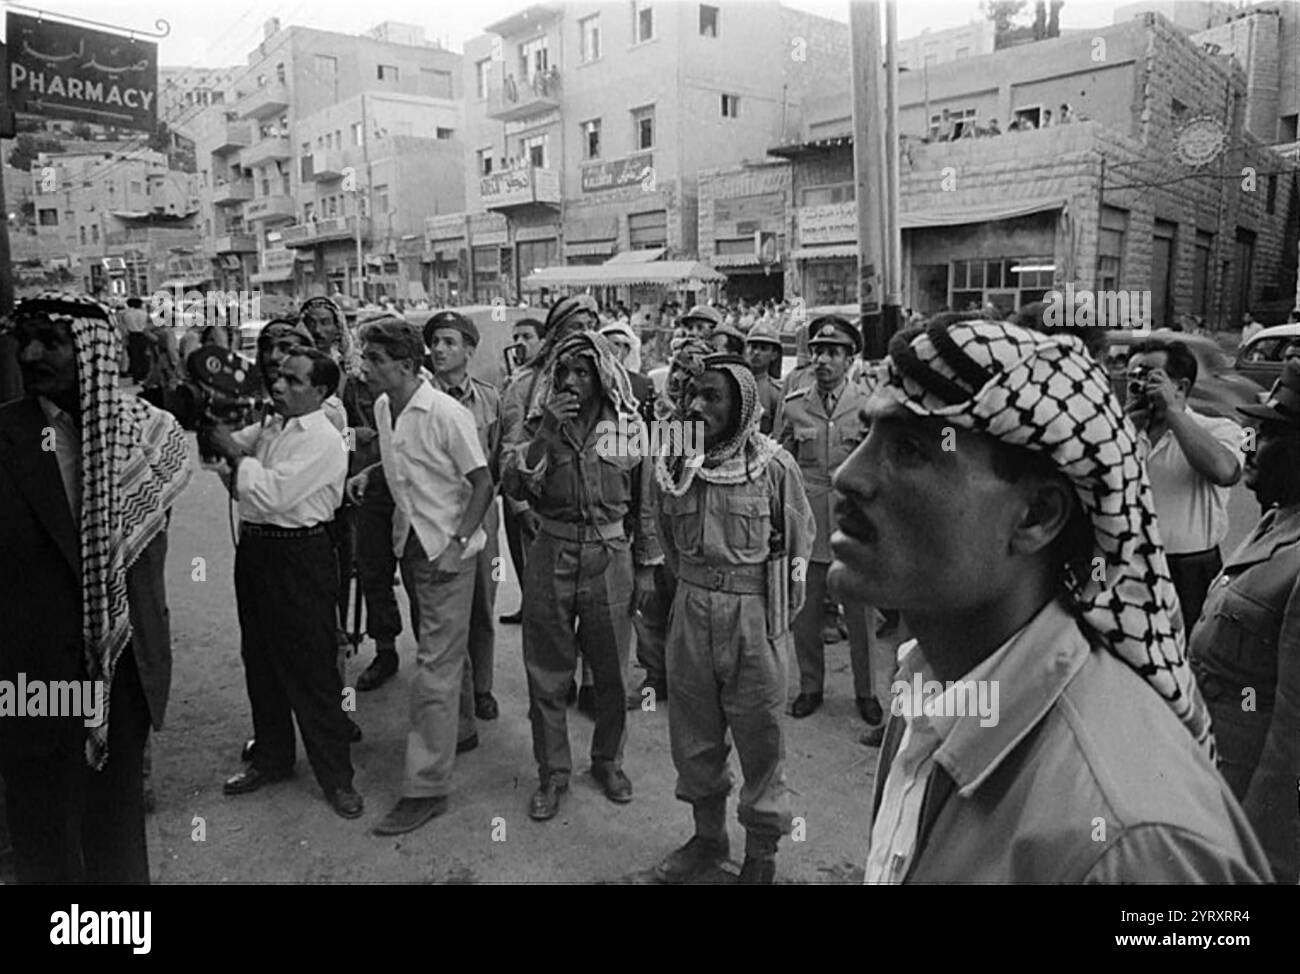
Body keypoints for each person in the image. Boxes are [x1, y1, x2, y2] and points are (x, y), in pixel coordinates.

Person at [833, 318, 1269, 882]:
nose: (849, 476)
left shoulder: (1130, 842)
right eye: (867, 438)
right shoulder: (932, 682)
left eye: (912, 449)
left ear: (1036, 516)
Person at [0, 293, 190, 883]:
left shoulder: (151, 438)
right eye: (23, 338)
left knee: (116, 831)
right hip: (32, 678)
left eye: (50, 340)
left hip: (120, 670)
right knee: (44, 832)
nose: (30, 354)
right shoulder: (6, 435)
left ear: (93, 351)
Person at [649, 351, 813, 885]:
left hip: (755, 615)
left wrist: (773, 623)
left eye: (712, 396)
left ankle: (760, 857)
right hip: (692, 610)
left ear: (740, 403)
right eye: (692, 392)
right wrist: (697, 592)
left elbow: (796, 549)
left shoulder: (774, 466)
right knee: (694, 737)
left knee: (761, 739)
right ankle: (707, 838)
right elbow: (669, 544)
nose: (697, 404)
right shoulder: (675, 463)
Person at [501, 331, 661, 820]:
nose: (572, 380)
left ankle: (607, 762)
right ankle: (552, 774)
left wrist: (648, 567)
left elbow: (646, 502)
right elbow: (512, 481)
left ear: (602, 377)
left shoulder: (627, 427)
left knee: (612, 671)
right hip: (551, 550)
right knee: (547, 673)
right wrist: (547, 432)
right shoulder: (536, 424)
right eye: (564, 371)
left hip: (610, 555)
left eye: (583, 371)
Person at [347, 319, 494, 836]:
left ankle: (425, 788)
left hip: (446, 554)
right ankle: (464, 729)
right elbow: (407, 466)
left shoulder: (447, 414)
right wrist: (369, 475)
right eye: (364, 358)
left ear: (407, 365)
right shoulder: (387, 407)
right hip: (412, 547)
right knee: (444, 653)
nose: (364, 368)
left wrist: (457, 547)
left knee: (432, 667)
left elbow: (482, 483)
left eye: (375, 360)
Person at [207, 347, 364, 820]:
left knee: (312, 668)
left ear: (320, 391)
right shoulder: (274, 424)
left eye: (294, 381)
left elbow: (272, 492)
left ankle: (338, 778)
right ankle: (272, 757)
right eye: (279, 377)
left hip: (299, 553)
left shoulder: (323, 438)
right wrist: (220, 435)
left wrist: (237, 456)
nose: (279, 386)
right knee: (259, 657)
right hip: (256, 551)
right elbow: (221, 456)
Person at [1190, 360, 1300, 883]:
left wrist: (1260, 856)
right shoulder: (1276, 521)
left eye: (1272, 434)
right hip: (1210, 781)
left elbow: (1292, 738)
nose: (1250, 446)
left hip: (1245, 818)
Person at [777, 317, 890, 743]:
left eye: (832, 352)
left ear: (849, 359)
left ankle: (866, 692)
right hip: (806, 522)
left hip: (851, 523)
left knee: (859, 614)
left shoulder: (867, 403)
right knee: (805, 613)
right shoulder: (795, 403)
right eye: (818, 351)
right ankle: (810, 687)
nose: (822, 359)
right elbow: (780, 461)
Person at [1126, 338, 1243, 627]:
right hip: (1126, 564)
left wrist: (1173, 414)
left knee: (1188, 652)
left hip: (1189, 571)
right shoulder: (1121, 431)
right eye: (1133, 377)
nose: (1138, 385)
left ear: (1181, 387)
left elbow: (1225, 471)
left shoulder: (1218, 428)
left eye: (1150, 377)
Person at [426, 311, 502, 724]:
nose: (439, 349)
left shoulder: (490, 398)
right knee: (440, 608)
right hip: (437, 516)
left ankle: (482, 688)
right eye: (435, 341)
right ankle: (452, 693)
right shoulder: (420, 398)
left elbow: (498, 459)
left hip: (482, 514)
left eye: (450, 342)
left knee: (481, 605)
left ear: (469, 351)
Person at [499, 317, 546, 625]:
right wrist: (517, 501)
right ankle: (530, 604)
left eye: (527, 336)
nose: (520, 343)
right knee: (522, 552)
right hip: (521, 483)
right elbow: (510, 441)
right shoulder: (519, 382)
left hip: (546, 483)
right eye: (516, 336)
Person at [745, 319, 784, 435]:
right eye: (753, 347)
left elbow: (778, 435)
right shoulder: (729, 384)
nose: (756, 352)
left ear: (774, 355)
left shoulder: (775, 393)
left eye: (763, 348)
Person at [119, 297, 152, 382]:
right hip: (143, 335)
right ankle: (144, 374)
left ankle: (136, 376)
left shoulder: (126, 314)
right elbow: (149, 324)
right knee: (144, 355)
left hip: (132, 336)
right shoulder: (144, 313)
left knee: (133, 357)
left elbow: (123, 327)